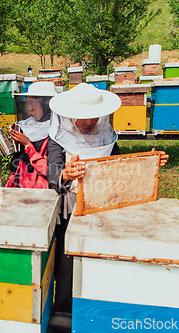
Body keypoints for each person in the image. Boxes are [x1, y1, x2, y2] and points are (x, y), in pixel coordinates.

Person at [46, 83, 169, 312]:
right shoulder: (57, 138)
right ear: (70, 115)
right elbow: (53, 173)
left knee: (99, 262)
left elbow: (118, 168)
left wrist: (146, 163)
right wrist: (65, 173)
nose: (89, 122)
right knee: (68, 268)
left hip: (103, 209)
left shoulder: (106, 136)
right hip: (71, 211)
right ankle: (63, 314)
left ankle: (96, 310)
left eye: (93, 117)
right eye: (83, 117)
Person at [5, 82, 57, 188]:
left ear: (45, 104)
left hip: (40, 188)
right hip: (21, 183)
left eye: (33, 103)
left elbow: (51, 171)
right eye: (27, 103)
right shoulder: (27, 124)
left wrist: (28, 145)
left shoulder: (57, 132)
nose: (29, 108)